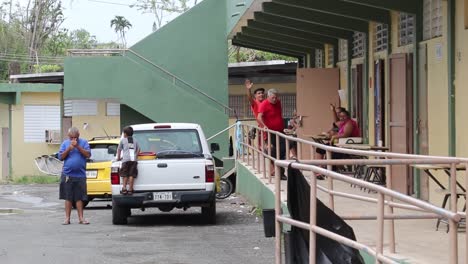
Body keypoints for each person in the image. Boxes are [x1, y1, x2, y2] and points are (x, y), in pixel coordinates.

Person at [59, 127, 91, 225]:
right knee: (68, 197)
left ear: (78, 136)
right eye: (71, 138)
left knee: (79, 197)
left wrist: (78, 147)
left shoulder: (84, 142)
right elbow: (60, 157)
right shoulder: (65, 143)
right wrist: (69, 149)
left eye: (75, 138)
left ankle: (81, 218)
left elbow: (88, 155)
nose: (73, 140)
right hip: (67, 174)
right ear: (68, 137)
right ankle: (67, 218)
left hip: (80, 175)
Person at [257, 88, 287, 179]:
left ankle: (280, 172)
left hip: (280, 131)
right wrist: (264, 125)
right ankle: (277, 171)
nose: (275, 99)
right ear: (268, 96)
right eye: (273, 98)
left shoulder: (278, 102)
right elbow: (259, 117)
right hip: (270, 133)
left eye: (276, 97)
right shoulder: (264, 104)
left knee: (282, 151)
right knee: (272, 151)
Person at [117, 126, 140, 195]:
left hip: (125, 160)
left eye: (124, 133)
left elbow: (119, 149)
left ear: (125, 134)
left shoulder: (123, 140)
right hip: (133, 160)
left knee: (125, 175)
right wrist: (136, 155)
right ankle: (130, 189)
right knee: (131, 175)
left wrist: (118, 158)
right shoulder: (135, 140)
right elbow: (138, 149)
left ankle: (124, 188)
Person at [245, 79, 265, 147]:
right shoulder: (255, 103)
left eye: (262, 93)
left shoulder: (266, 102)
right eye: (259, 93)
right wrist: (248, 89)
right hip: (263, 128)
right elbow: (249, 98)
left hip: (271, 127)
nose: (261, 94)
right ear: (255, 95)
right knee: (263, 147)